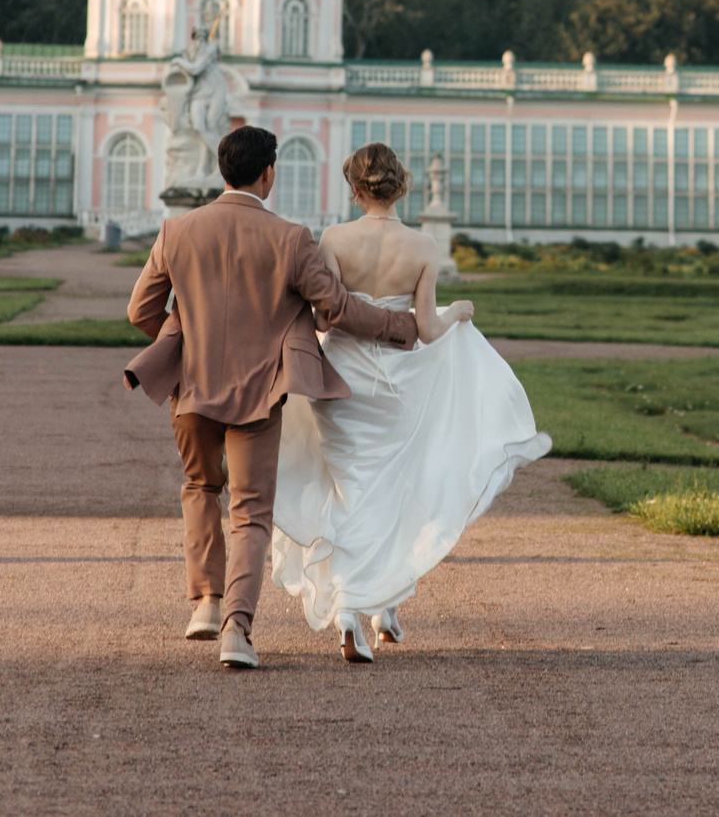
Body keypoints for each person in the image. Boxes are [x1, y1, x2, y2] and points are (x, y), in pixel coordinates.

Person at [124, 125, 421, 671]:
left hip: (191, 388)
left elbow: (140, 311)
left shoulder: (175, 231)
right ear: (268, 174)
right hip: (261, 394)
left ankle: (207, 604)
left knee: (199, 486)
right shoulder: (291, 238)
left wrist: (187, 330)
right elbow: (336, 310)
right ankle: (237, 630)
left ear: (222, 170)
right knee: (251, 513)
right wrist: (403, 326)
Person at [270, 141, 552, 664]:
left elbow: (328, 318)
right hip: (398, 387)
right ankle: (370, 605)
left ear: (356, 190)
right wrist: (459, 313)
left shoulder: (333, 238)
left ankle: (362, 609)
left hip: (343, 380)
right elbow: (426, 330)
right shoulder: (423, 247)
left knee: (352, 489)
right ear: (400, 186)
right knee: (394, 492)